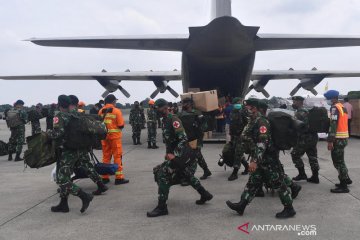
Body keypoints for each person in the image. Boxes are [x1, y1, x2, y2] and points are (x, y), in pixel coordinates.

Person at [226, 98, 297, 219]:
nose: (246, 110)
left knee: (279, 183)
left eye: (248, 107)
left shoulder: (262, 122)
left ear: (254, 108)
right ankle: (242, 205)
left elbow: (262, 143)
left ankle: (289, 209)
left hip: (268, 159)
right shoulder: (254, 120)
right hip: (260, 159)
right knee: (253, 182)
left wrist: (254, 161)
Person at [147, 99, 213, 217]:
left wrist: (174, 155)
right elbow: (170, 142)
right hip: (177, 157)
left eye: (158, 108)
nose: (156, 111)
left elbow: (183, 138)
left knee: (162, 174)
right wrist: (168, 155)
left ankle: (162, 207)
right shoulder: (165, 120)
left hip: (182, 156)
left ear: (165, 107)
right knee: (186, 175)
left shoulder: (174, 119)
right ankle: (205, 194)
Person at [48, 95, 93, 213]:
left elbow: (59, 133)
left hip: (66, 151)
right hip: (76, 150)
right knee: (66, 176)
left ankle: (84, 196)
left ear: (59, 104)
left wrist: (49, 133)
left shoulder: (59, 116)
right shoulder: (75, 115)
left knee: (62, 179)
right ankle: (63, 204)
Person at [68, 95, 108, 195]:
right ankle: (101, 185)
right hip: (83, 146)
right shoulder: (81, 114)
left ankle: (66, 187)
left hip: (71, 147)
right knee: (88, 166)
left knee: (65, 168)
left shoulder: (67, 115)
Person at [324, 90, 352, 193]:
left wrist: (330, 141)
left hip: (338, 138)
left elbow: (333, 124)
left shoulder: (335, 108)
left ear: (332, 98)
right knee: (341, 161)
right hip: (343, 137)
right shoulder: (342, 106)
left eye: (328, 99)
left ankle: (344, 186)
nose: (328, 101)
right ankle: (346, 179)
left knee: (338, 162)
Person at [178, 98, 212, 180]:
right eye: (182, 103)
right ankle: (206, 170)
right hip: (187, 138)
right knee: (197, 155)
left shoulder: (197, 113)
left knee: (193, 156)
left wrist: (199, 124)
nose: (183, 104)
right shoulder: (180, 114)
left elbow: (205, 126)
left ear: (189, 104)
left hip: (196, 138)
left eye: (184, 103)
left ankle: (189, 177)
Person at [99, 94, 129, 185]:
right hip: (114, 137)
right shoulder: (116, 111)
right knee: (117, 156)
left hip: (104, 138)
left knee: (106, 157)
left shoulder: (100, 111)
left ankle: (105, 177)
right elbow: (121, 125)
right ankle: (119, 178)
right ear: (113, 102)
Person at [290, 96, 320, 183]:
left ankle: (302, 174)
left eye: (295, 101)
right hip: (313, 137)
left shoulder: (300, 113)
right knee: (312, 156)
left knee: (295, 154)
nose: (293, 103)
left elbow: (294, 125)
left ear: (300, 102)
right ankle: (315, 177)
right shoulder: (306, 111)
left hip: (305, 138)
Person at [228, 97, 249, 181]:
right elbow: (231, 123)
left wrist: (244, 134)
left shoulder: (244, 111)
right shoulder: (233, 111)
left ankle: (235, 173)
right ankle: (247, 167)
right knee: (236, 153)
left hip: (241, 136)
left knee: (238, 153)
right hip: (234, 136)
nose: (239, 103)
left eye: (240, 102)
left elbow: (248, 123)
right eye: (237, 102)